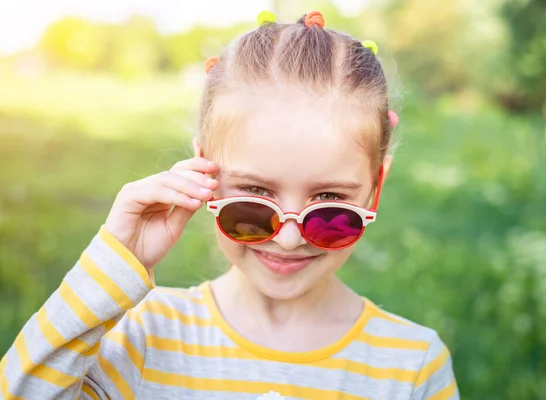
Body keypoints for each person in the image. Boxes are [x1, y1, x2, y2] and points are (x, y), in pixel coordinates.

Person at [0, 10, 459, 400]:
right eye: (256, 196)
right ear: (204, 175)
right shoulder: (145, 336)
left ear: (376, 188)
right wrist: (111, 264)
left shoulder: (412, 368)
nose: (290, 236)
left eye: (330, 201)